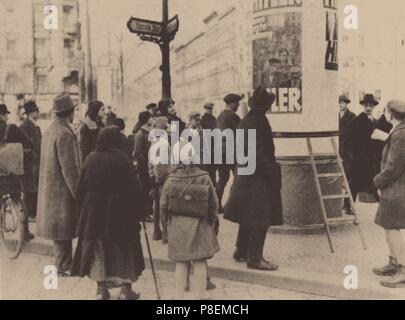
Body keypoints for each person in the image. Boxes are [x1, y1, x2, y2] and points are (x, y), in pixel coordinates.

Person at [71, 127, 146, 300]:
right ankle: (126, 290)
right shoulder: (122, 159)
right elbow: (135, 189)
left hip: (94, 214)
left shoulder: (90, 158)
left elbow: (79, 189)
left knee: (98, 250)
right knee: (125, 249)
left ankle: (101, 290)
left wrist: (83, 211)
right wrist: (140, 211)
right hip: (120, 213)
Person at [224, 87, 283, 271]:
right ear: (264, 105)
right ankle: (255, 258)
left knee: (247, 215)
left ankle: (241, 251)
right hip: (257, 179)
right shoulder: (257, 121)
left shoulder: (248, 120)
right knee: (260, 218)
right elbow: (257, 153)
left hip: (246, 177)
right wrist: (270, 172)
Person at [160, 141, 219, 300]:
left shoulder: (171, 179)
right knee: (200, 261)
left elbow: (163, 206)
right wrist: (211, 221)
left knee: (181, 262)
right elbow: (214, 203)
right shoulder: (204, 177)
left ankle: (179, 297)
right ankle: (199, 297)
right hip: (200, 225)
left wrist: (166, 226)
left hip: (178, 226)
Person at [37, 94, 81, 277]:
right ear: (69, 114)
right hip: (61, 192)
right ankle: (62, 266)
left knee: (59, 231)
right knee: (63, 230)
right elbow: (70, 170)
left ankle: (62, 263)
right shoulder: (64, 134)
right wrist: (79, 193)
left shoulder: (50, 130)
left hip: (51, 188)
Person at [372, 100, 405, 288]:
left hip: (396, 189)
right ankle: (394, 262)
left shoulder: (400, 134)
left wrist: (378, 180)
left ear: (391, 114)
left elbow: (393, 167)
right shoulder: (399, 131)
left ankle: (402, 269)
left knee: (391, 227)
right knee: (389, 226)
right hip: (397, 188)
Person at [0, 104, 34, 241]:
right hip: (12, 173)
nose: (7, 117)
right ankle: (25, 232)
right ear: (2, 115)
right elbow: (28, 143)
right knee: (18, 200)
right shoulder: (12, 128)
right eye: (6, 114)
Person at [348, 93, 380, 203]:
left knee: (373, 180)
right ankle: (348, 205)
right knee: (355, 183)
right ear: (363, 106)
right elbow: (350, 140)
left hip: (371, 158)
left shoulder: (375, 122)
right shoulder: (356, 121)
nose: (368, 108)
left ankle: (379, 205)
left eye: (370, 106)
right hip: (359, 158)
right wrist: (356, 154)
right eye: (366, 105)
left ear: (374, 107)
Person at [216, 93, 243, 213]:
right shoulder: (233, 117)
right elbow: (242, 132)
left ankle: (217, 205)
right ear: (231, 103)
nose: (238, 105)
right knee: (239, 178)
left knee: (222, 179)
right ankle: (234, 206)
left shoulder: (220, 116)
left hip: (221, 152)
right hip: (231, 152)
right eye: (236, 103)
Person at [149, 117, 172, 242]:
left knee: (157, 205)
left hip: (156, 176)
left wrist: (152, 175)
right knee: (164, 205)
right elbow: (160, 163)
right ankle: (166, 234)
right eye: (166, 126)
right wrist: (159, 177)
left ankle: (157, 231)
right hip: (163, 177)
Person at [19, 101, 42, 222]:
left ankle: (33, 212)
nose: (38, 113)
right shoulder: (24, 126)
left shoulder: (35, 126)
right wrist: (34, 156)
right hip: (30, 163)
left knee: (36, 186)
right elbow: (23, 146)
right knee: (30, 188)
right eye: (36, 110)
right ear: (31, 113)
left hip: (37, 162)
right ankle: (29, 213)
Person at [133, 112, 154, 220]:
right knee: (145, 189)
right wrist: (146, 160)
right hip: (144, 166)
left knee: (150, 188)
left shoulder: (149, 132)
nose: (152, 119)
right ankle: (145, 213)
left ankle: (149, 211)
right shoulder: (140, 134)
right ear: (146, 119)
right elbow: (136, 152)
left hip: (150, 164)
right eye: (151, 117)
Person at [338, 94, 356, 215]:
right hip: (337, 151)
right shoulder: (334, 117)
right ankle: (339, 205)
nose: (341, 105)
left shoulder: (352, 117)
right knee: (339, 179)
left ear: (347, 103)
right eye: (340, 102)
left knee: (349, 180)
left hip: (348, 153)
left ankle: (347, 205)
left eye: (343, 102)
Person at [201, 103, 218, 186]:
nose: (210, 110)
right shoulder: (203, 119)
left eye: (211, 109)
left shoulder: (213, 118)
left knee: (213, 170)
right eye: (208, 109)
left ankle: (213, 186)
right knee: (208, 170)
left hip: (213, 146)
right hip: (207, 146)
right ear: (205, 109)